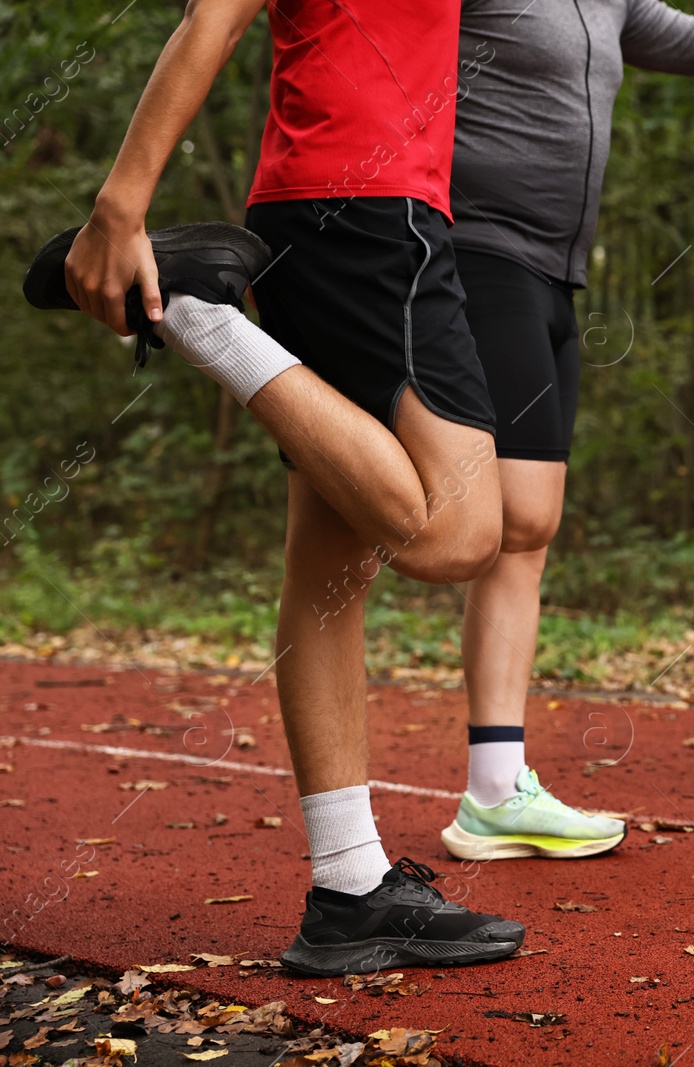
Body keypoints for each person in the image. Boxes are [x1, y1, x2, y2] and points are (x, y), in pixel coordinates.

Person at [29, 0, 524, 974]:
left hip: (325, 213)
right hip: (377, 214)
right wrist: (118, 207)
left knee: (327, 571)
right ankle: (202, 316)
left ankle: (348, 889)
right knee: (455, 530)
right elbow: (212, 15)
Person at [435, 0, 694, 862]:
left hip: (556, 277)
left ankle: (493, 789)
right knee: (509, 519)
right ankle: (485, 785)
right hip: (478, 251)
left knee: (530, 531)